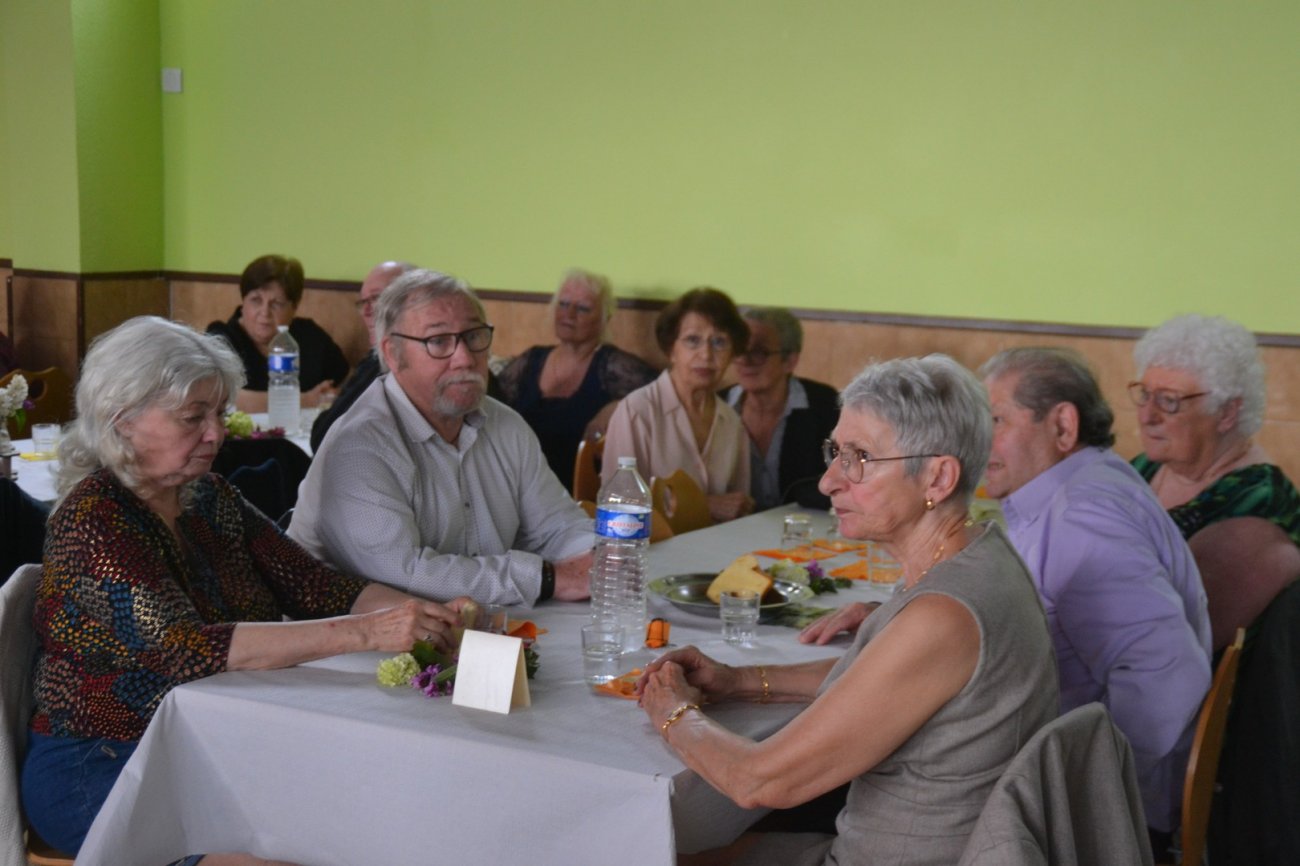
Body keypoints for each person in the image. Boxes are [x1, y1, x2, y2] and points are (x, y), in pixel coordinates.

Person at [21, 317, 469, 858]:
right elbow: (189, 650)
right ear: (122, 420)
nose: (216, 433)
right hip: (104, 764)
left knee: (368, 817)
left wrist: (430, 615)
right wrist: (370, 633)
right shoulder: (92, 520)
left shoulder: (208, 498)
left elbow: (316, 587)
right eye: (193, 417)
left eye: (217, 413)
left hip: (216, 741)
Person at [638, 355, 1059, 865]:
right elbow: (879, 678)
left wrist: (670, 711)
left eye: (859, 457)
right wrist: (738, 680)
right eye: (836, 452)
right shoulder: (980, 550)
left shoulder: (945, 614)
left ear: (938, 478)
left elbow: (758, 779)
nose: (829, 481)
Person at [978, 347, 1210, 845]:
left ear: (1062, 426)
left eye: (996, 420)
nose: (978, 441)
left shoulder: (1081, 515)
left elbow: (1166, 676)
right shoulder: (1086, 484)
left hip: (1107, 816)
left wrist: (1086, 796)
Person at [289, 269, 594, 606]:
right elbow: (404, 576)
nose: (465, 358)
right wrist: (546, 578)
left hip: (472, 636)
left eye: (474, 336)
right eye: (438, 341)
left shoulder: (505, 425)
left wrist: (602, 560)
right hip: (347, 647)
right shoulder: (360, 446)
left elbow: (557, 527)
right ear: (392, 354)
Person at [1130, 314, 1300, 651]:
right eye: (1145, 394)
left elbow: (1190, 634)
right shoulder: (1147, 465)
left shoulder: (1259, 500)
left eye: (1169, 400)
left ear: (1226, 413)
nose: (1147, 415)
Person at [496, 268, 657, 491]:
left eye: (583, 308)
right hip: (516, 487)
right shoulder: (531, 360)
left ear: (604, 319)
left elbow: (661, 396)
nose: (569, 314)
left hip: (575, 496)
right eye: (563, 304)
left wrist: (620, 405)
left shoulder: (612, 366)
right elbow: (490, 400)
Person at [602, 287, 754, 523]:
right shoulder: (638, 411)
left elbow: (737, 503)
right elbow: (619, 504)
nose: (706, 354)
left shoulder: (732, 422)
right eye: (693, 340)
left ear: (732, 352)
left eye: (719, 342)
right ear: (671, 349)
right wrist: (705, 505)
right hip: (649, 550)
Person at [723, 307, 839, 510]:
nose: (745, 361)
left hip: (805, 527)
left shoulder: (825, 405)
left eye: (759, 352)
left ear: (789, 361)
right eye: (740, 349)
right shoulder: (718, 406)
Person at [206, 254, 349, 414]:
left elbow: (346, 379)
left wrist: (333, 397)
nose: (264, 312)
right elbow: (222, 397)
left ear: (294, 308)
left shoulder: (310, 335)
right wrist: (306, 400)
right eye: (256, 300)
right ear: (243, 301)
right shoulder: (220, 338)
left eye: (277, 304)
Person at [310, 260, 413, 451]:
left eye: (376, 299)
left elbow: (324, 437)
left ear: (412, 302)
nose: (366, 311)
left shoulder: (391, 363)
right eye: (363, 302)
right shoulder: (374, 360)